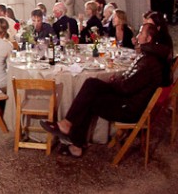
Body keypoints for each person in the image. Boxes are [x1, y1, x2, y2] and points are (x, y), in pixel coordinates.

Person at [42, 24, 167, 157]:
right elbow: (132, 82)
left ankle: (73, 137)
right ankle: (71, 133)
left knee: (90, 96)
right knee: (91, 84)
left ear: (148, 38)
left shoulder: (149, 62)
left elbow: (127, 88)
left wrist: (113, 82)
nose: (137, 36)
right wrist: (117, 81)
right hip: (128, 99)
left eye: (140, 33)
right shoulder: (149, 56)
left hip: (129, 108)